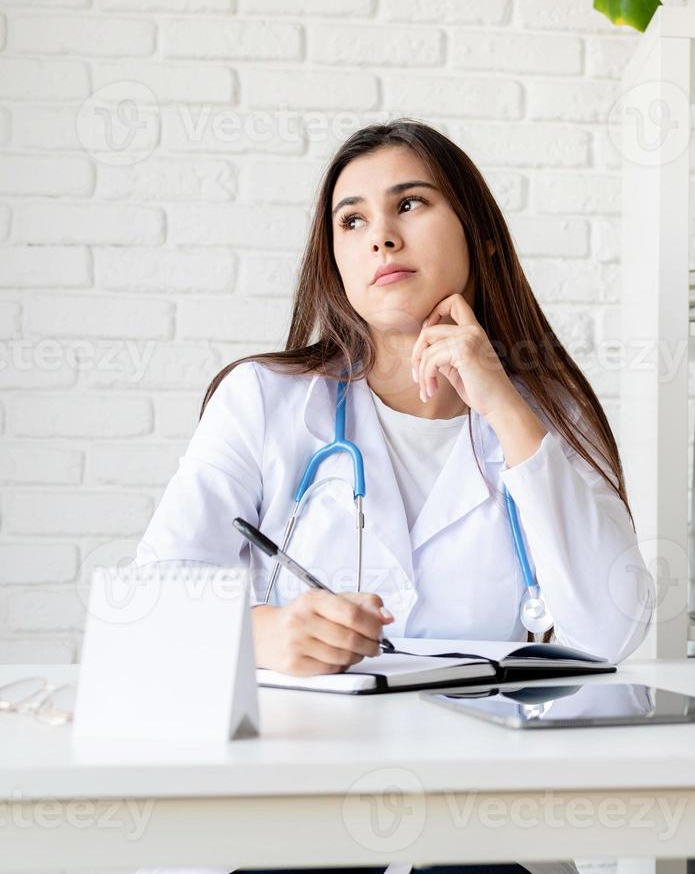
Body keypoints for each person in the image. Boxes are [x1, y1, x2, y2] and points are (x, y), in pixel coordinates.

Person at [135, 118, 655, 680]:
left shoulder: (545, 414)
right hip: (307, 755)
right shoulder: (263, 400)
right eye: (352, 220)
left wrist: (504, 406)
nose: (380, 236)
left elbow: (611, 632)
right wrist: (263, 632)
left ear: (478, 234)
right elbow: (153, 601)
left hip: (487, 760)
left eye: (409, 204)